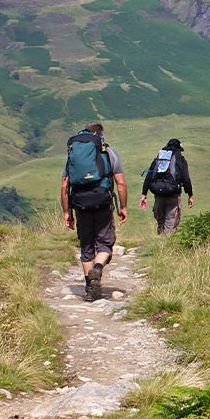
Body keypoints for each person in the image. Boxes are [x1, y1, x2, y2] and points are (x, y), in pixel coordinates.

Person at [61, 122, 128, 302]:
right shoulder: (108, 152)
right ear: (101, 134)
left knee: (86, 246)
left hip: (80, 203)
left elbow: (65, 185)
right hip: (102, 202)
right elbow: (120, 183)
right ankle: (97, 270)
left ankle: (90, 289)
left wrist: (67, 212)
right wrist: (123, 207)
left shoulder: (73, 154)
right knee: (105, 243)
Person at [140, 138, 194, 235]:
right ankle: (164, 247)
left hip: (158, 196)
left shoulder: (159, 159)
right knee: (170, 224)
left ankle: (159, 243)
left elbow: (149, 176)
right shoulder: (180, 160)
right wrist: (190, 195)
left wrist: (144, 194)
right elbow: (186, 179)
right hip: (173, 196)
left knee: (161, 224)